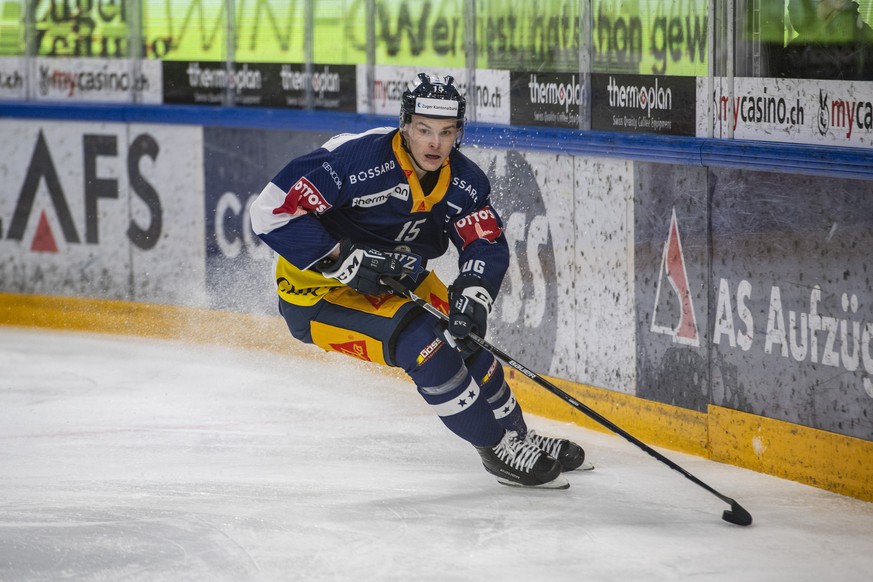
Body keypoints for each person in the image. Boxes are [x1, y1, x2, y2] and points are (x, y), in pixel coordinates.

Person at [250, 72, 585, 489]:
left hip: (396, 280)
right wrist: (341, 258)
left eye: (446, 133)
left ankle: (519, 437)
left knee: (468, 341)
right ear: (405, 125)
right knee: (422, 342)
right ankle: (497, 449)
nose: (434, 143)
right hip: (317, 292)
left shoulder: (464, 181)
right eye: (424, 130)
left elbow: (485, 242)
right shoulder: (355, 161)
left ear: (458, 133)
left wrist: (473, 298)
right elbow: (269, 210)